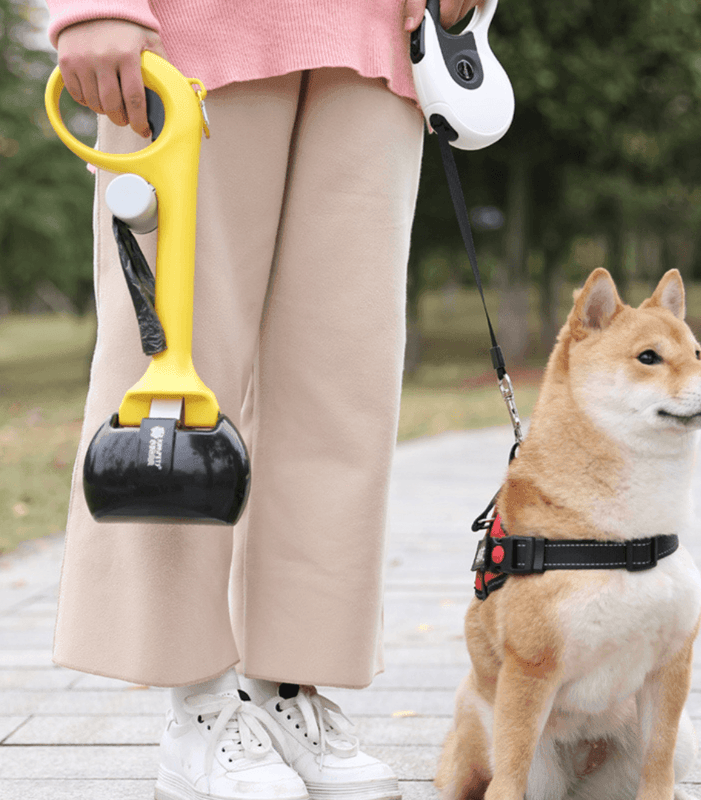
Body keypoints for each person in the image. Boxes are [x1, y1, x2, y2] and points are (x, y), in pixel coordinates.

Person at [45, 2, 482, 800]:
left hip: (375, 43)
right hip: (191, 34)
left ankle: (291, 687)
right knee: (175, 373)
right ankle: (197, 700)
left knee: (342, 384)